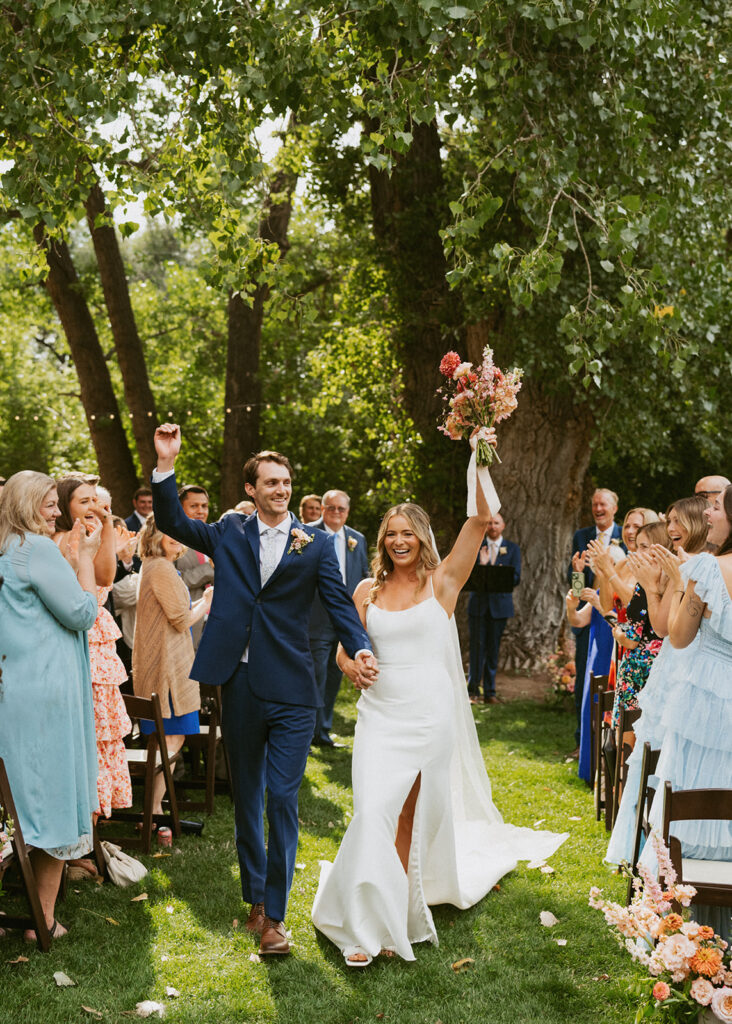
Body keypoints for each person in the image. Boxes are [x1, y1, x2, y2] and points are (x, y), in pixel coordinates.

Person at [311, 459, 567, 967]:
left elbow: (480, 519)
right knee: (371, 810)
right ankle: (358, 918)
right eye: (390, 534)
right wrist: (350, 666)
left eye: (407, 533)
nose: (398, 542)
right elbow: (342, 648)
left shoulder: (444, 581)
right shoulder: (366, 591)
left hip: (429, 718)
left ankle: (387, 915)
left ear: (422, 537)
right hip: (379, 716)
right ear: (381, 540)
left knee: (406, 816)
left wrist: (476, 447)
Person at [150, 424, 376, 956]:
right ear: (252, 489)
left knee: (282, 795)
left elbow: (341, 606)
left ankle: (275, 917)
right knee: (247, 792)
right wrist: (166, 465)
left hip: (294, 684)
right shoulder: (229, 532)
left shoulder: (316, 545)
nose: (280, 489)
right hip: (241, 680)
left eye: (286, 481)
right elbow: (172, 521)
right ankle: (254, 899)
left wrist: (359, 646)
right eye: (270, 482)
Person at [0, 471, 101, 939]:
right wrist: (83, 556)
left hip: (14, 688)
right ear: (24, 504)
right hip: (49, 690)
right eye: (48, 504)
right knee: (53, 796)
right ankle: (42, 920)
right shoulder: (36, 550)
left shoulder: (4, 552)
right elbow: (82, 612)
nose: (57, 511)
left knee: (16, 800)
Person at [638, 485, 732, 941]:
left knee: (690, 807)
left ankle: (678, 936)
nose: (709, 514)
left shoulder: (708, 568)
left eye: (717, 507)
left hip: (705, 702)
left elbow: (677, 635)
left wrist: (679, 582)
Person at [606, 498, 708, 867]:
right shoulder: (677, 567)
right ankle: (643, 851)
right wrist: (655, 585)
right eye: (671, 521)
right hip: (672, 668)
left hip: (694, 673)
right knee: (651, 762)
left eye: (678, 521)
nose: (672, 526)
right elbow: (665, 627)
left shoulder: (699, 567)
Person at [55, 475, 132, 857]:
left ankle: (89, 840)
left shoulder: (98, 532)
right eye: (83, 500)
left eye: (96, 500)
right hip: (71, 637)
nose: (92, 507)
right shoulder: (56, 542)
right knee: (79, 739)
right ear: (64, 504)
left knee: (102, 739)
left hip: (99, 646)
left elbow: (105, 577)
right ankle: (70, 846)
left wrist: (104, 528)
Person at [132, 516, 213, 826]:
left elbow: (174, 613)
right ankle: (152, 812)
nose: (177, 538)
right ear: (155, 534)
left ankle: (155, 810)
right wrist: (206, 602)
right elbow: (181, 619)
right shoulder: (160, 568)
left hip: (167, 663)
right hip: (166, 668)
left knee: (170, 740)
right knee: (170, 740)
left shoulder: (157, 566)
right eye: (170, 532)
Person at [308, 489, 370, 747]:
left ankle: (323, 731)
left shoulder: (357, 539)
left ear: (347, 512)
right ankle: (307, 732)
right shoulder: (307, 534)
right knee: (316, 674)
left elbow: (364, 575)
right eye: (330, 508)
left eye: (341, 509)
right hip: (316, 616)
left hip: (347, 618)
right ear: (322, 509)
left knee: (336, 674)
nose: (335, 513)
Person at [568, 489, 624, 751]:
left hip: (615, 616)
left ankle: (609, 743)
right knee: (585, 681)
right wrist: (578, 575)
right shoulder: (581, 536)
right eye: (594, 505)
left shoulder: (625, 537)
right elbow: (578, 590)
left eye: (603, 504)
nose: (598, 509)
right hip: (589, 615)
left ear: (614, 508)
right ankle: (583, 742)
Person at [466, 512, 521, 705]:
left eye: (496, 523)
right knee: (476, 649)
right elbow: (468, 575)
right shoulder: (476, 547)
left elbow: (515, 578)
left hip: (500, 607)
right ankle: (472, 691)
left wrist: (491, 568)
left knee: (493, 650)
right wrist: (482, 566)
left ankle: (490, 692)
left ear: (503, 525)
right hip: (478, 606)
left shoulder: (512, 549)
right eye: (489, 523)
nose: (492, 526)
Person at [174, 485, 214, 650]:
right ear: (180, 508)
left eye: (204, 506)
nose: (200, 511)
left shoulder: (214, 536)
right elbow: (175, 581)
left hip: (216, 620)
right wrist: (209, 568)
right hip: (189, 620)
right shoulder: (173, 540)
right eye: (194, 506)